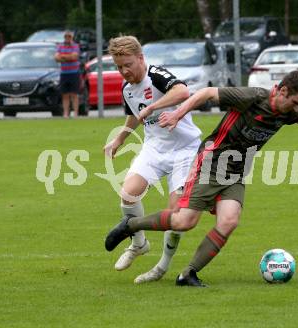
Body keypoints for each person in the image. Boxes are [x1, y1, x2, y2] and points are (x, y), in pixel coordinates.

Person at [105, 70, 298, 287]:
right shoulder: (253, 97)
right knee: (184, 221)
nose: (297, 108)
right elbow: (208, 93)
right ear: (283, 91)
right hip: (212, 163)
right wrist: (176, 114)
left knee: (229, 221)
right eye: (295, 102)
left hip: (237, 171)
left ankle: (188, 274)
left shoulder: (288, 111)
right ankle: (130, 225)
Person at [104, 35, 201, 284]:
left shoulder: (156, 74)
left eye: (128, 64)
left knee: (175, 213)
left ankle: (161, 267)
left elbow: (182, 91)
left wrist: (150, 109)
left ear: (140, 58)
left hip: (185, 150)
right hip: (155, 148)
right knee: (128, 193)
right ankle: (139, 244)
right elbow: (134, 117)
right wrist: (119, 140)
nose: (124, 71)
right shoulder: (127, 90)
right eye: (119, 67)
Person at [54, 30, 81, 118]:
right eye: (66, 36)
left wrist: (63, 56)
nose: (67, 38)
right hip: (64, 73)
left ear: (72, 37)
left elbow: (74, 56)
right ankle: (66, 114)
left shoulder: (75, 46)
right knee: (65, 95)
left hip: (74, 73)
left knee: (74, 94)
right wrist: (68, 57)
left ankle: (76, 113)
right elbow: (56, 58)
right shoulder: (60, 46)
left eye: (69, 36)